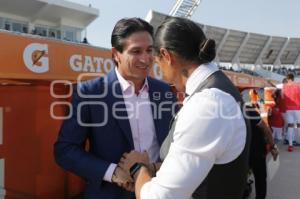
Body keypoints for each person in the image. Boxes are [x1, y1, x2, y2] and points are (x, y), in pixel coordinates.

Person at [119, 17, 251, 199]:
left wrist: (137, 168)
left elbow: (158, 197)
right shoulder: (217, 91)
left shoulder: (207, 104)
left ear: (166, 56)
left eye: (158, 64)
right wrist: (151, 168)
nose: (162, 75)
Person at [54, 18, 176, 199]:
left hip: (160, 191)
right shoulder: (90, 92)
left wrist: (153, 169)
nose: (146, 58)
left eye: (149, 50)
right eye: (136, 51)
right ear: (116, 54)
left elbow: (174, 144)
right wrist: (113, 173)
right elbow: (65, 150)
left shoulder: (164, 91)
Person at [247, 103, 278, 199]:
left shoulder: (225, 111)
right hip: (256, 150)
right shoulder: (247, 110)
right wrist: (273, 147)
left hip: (239, 152)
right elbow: (266, 129)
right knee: (260, 177)